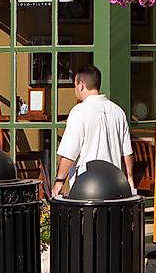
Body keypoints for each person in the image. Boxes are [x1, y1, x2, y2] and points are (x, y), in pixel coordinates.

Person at [51, 64, 134, 197]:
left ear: (81, 84)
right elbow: (127, 152)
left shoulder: (79, 112)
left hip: (88, 187)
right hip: (115, 185)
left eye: (75, 85)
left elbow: (69, 154)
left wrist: (59, 181)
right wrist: (129, 178)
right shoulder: (118, 111)